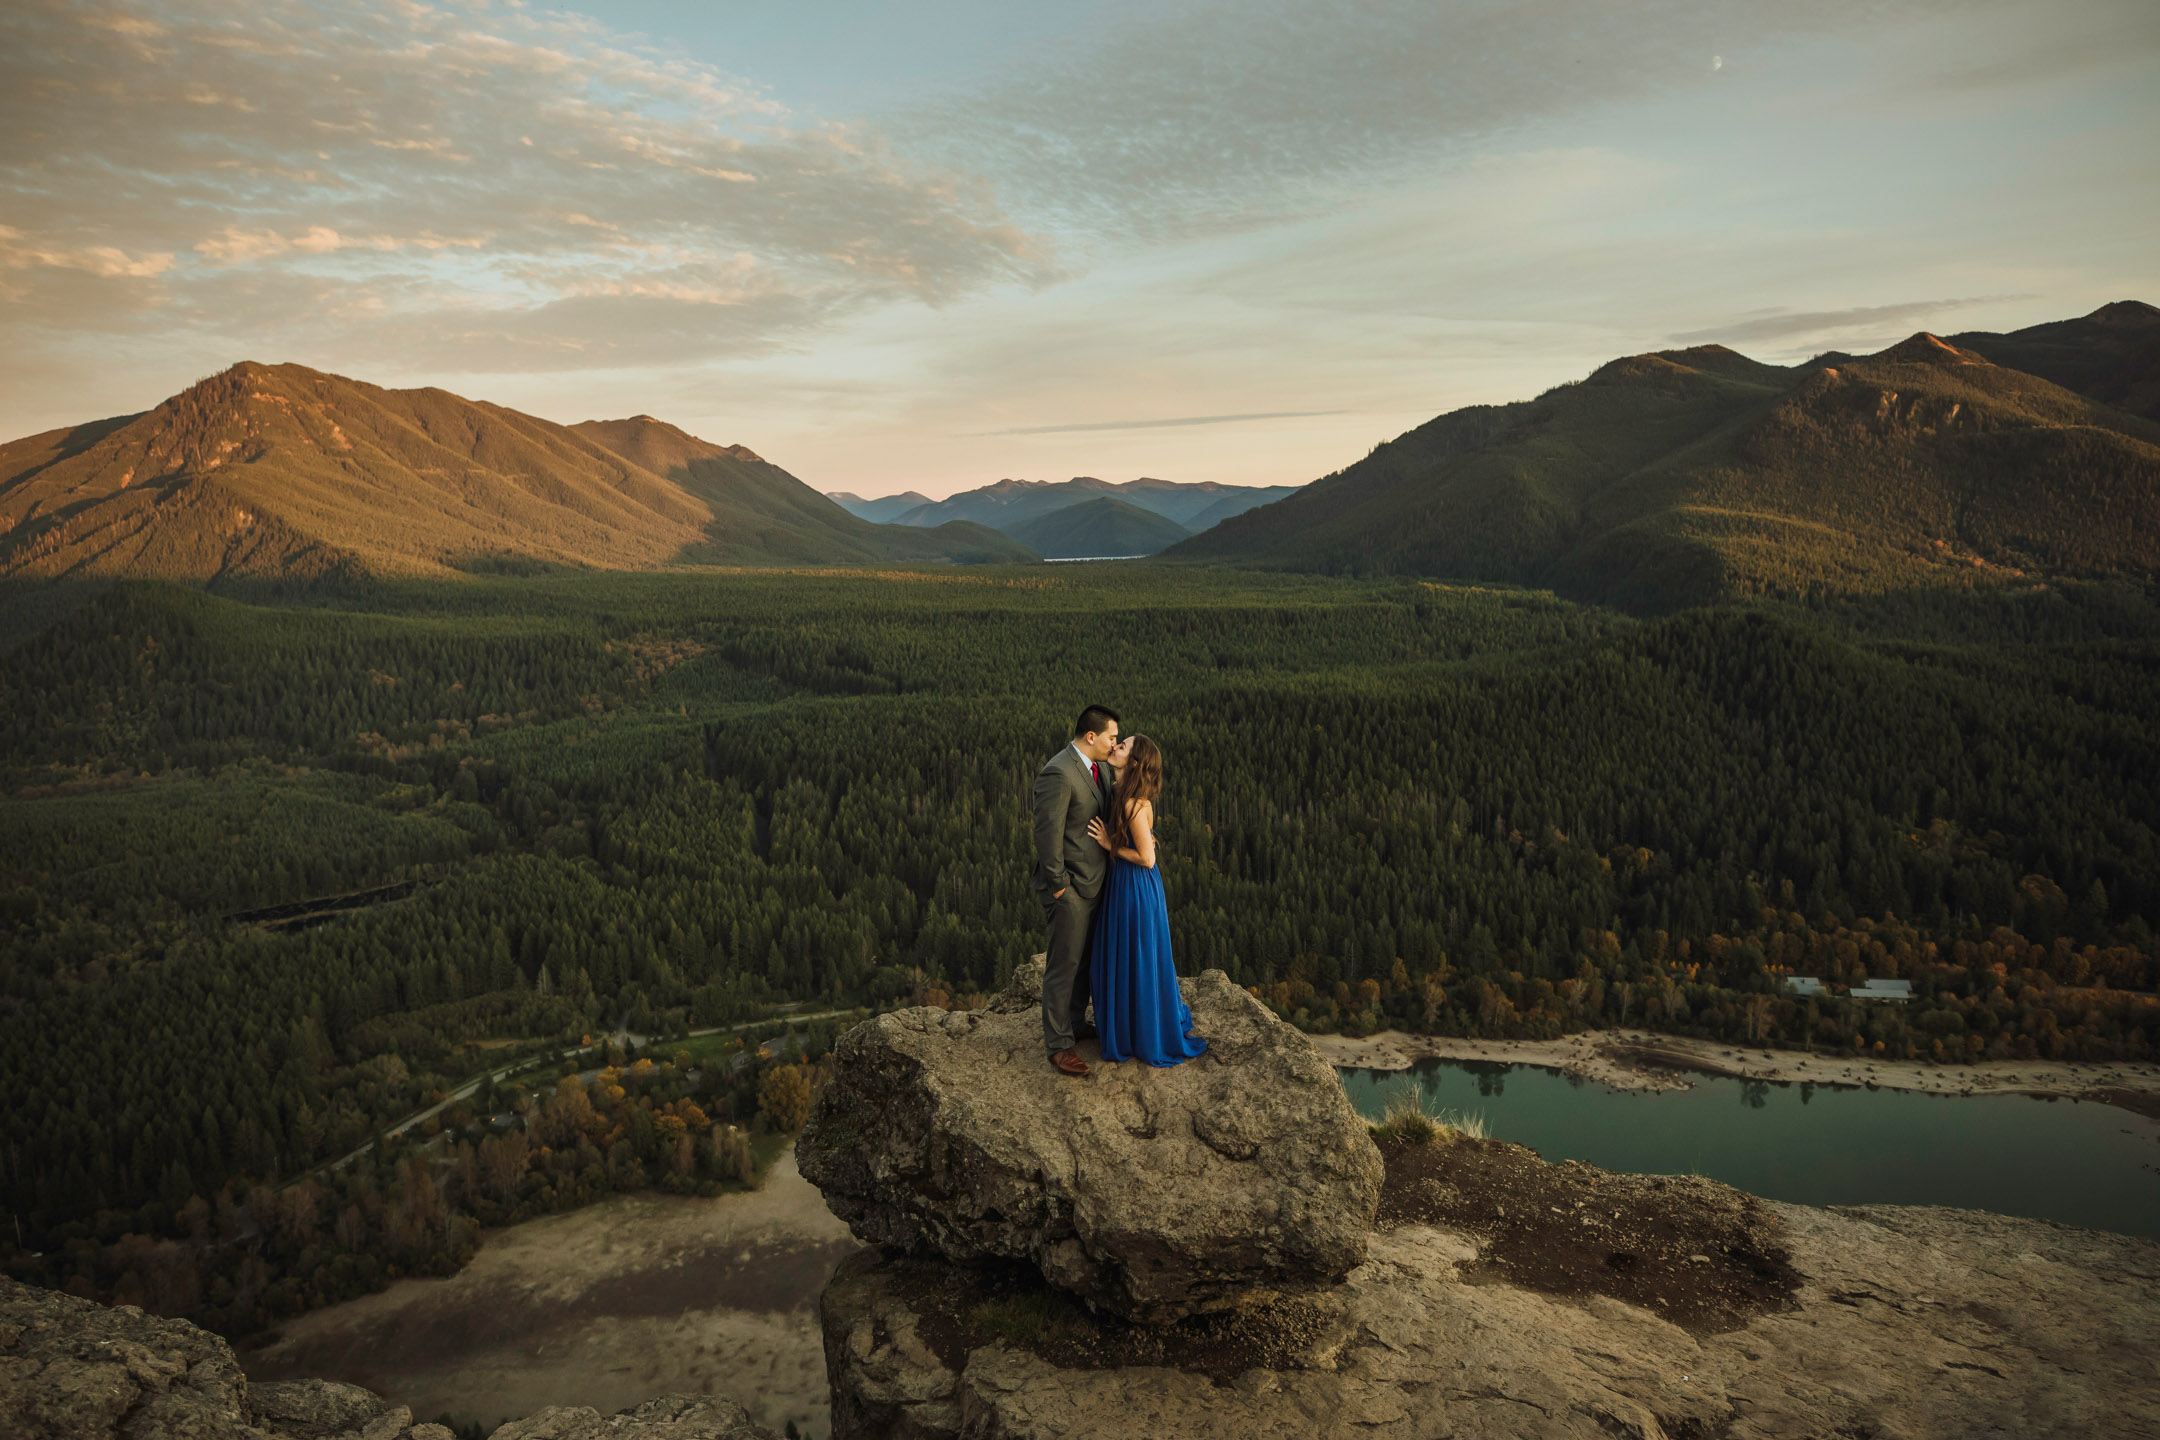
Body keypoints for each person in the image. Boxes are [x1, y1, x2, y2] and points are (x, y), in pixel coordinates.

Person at [1084, 735, 1208, 1067]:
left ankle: (1136, 1033)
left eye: (1122, 747)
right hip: (1128, 885)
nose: (1115, 748)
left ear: (1134, 763)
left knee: (1131, 956)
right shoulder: (1123, 794)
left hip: (1135, 887)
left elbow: (1148, 858)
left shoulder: (1132, 804)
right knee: (1127, 956)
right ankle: (1132, 1027)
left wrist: (1109, 844)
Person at [1031, 705, 1121, 1077]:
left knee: (1084, 959)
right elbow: (1047, 835)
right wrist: (1059, 888)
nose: (1115, 743)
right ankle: (1058, 1045)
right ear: (1091, 737)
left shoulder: (1096, 769)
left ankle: (1074, 1021)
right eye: (1112, 737)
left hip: (1094, 881)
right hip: (1070, 887)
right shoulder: (1059, 771)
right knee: (1063, 964)